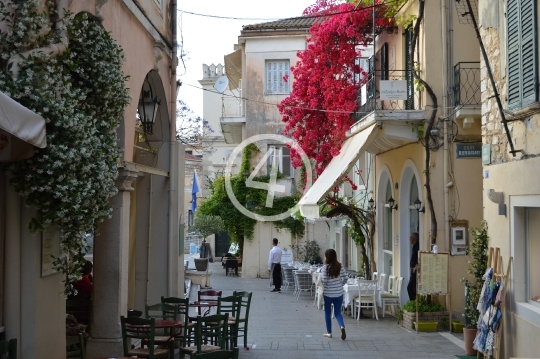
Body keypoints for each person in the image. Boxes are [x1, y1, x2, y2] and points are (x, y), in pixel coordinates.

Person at [321, 249, 348, 340]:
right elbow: (345, 278)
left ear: (327, 257)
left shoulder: (325, 268)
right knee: (337, 313)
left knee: (327, 312)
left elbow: (324, 281)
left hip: (328, 294)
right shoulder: (340, 266)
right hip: (339, 293)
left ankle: (329, 332)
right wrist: (340, 284)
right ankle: (342, 326)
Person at [407, 232, 420, 300]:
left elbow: (419, 257)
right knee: (411, 288)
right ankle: (414, 303)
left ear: (414, 238)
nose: (409, 239)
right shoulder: (414, 246)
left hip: (415, 270)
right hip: (413, 270)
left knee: (410, 288)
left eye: (410, 237)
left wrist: (416, 266)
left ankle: (413, 303)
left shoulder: (417, 246)